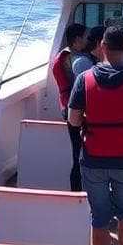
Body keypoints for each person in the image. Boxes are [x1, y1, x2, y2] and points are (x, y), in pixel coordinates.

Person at [66, 26, 123, 245]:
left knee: (99, 217)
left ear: (102, 45)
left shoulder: (84, 79)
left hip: (93, 158)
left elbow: (73, 120)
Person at [50, 23, 89, 191]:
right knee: (78, 153)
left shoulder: (66, 56)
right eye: (85, 37)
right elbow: (80, 85)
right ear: (77, 40)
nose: (87, 40)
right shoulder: (70, 59)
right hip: (73, 109)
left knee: (77, 150)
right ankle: (77, 190)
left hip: (69, 106)